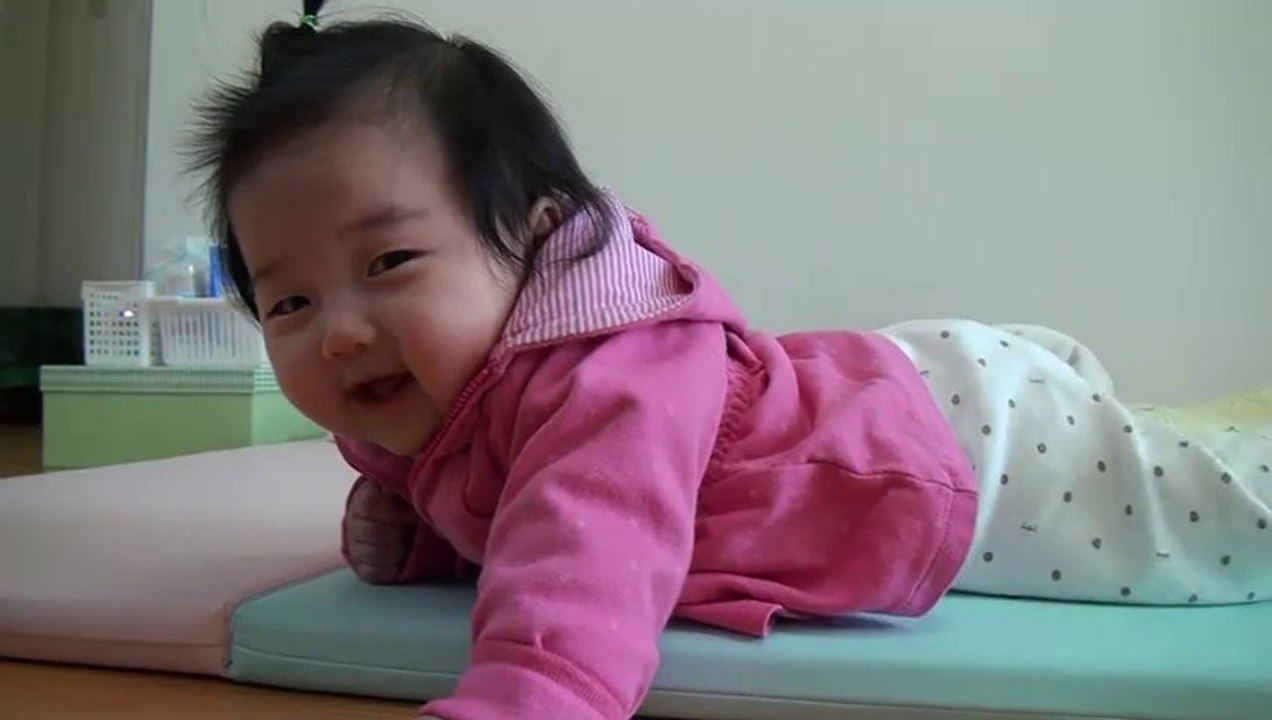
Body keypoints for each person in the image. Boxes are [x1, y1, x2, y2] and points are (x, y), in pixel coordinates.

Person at [189, 3, 1271, 718]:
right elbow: (486, 511)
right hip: (880, 390)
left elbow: (578, 585)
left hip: (958, 450)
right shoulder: (426, 395)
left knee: (1221, 531)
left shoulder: (608, 380)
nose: (336, 329)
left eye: (389, 259)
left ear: (534, 237)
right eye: (287, 298)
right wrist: (408, 535)